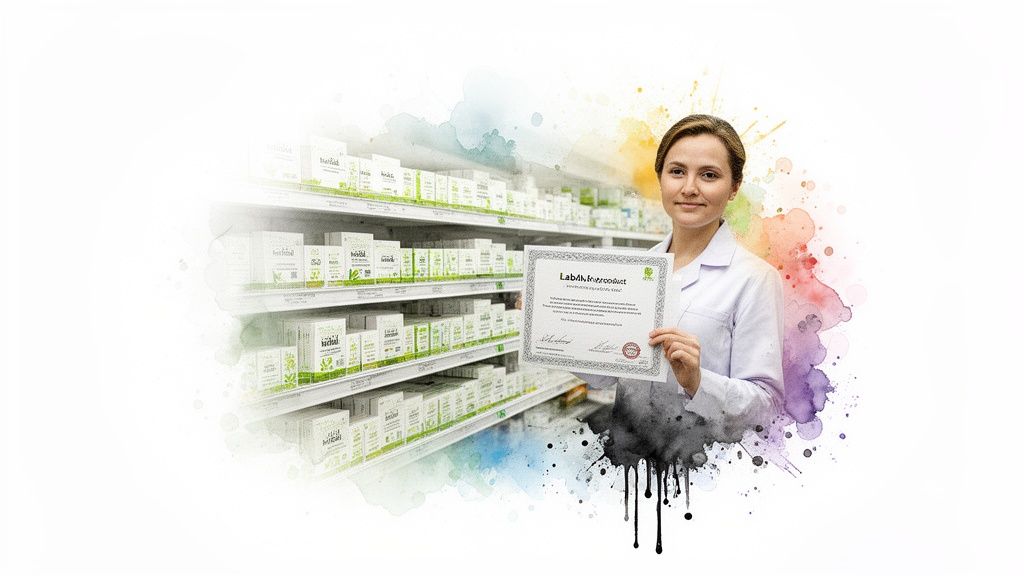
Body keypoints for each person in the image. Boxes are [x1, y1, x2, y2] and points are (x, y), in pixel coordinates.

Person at [523, 114, 785, 444]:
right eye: (677, 172)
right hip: (626, 464)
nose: (689, 188)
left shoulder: (755, 279)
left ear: (734, 187)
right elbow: (605, 375)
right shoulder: (639, 272)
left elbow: (766, 407)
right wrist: (547, 322)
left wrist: (697, 381)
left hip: (699, 469)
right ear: (661, 178)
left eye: (709, 175)